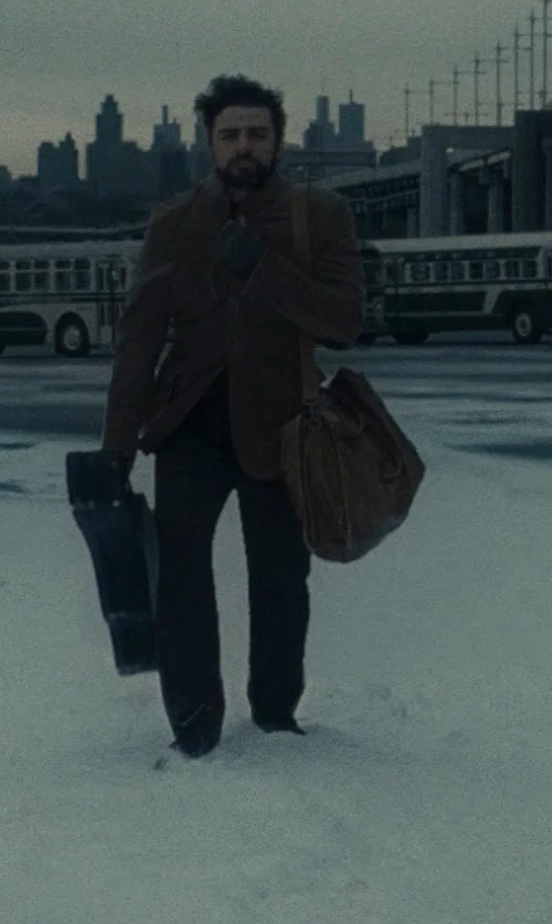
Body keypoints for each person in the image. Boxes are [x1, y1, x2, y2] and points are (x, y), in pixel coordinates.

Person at [101, 75, 365, 757]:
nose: (243, 146)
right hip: (187, 425)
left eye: (256, 134)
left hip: (283, 429)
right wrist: (116, 446)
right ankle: (194, 722)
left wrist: (264, 269)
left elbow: (344, 321)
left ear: (278, 141)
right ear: (209, 144)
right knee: (181, 580)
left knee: (280, 579)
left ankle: (275, 715)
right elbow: (139, 339)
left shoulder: (319, 216)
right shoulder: (175, 222)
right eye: (230, 135)